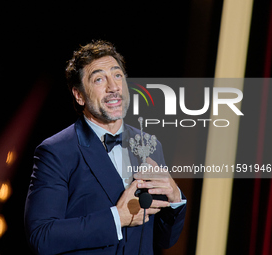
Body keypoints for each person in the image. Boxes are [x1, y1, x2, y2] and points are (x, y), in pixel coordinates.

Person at [24, 40, 187, 255]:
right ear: (79, 95)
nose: (113, 87)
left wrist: (175, 199)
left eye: (117, 75)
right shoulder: (56, 151)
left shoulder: (150, 145)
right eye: (99, 79)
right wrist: (116, 219)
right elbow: (41, 236)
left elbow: (164, 240)